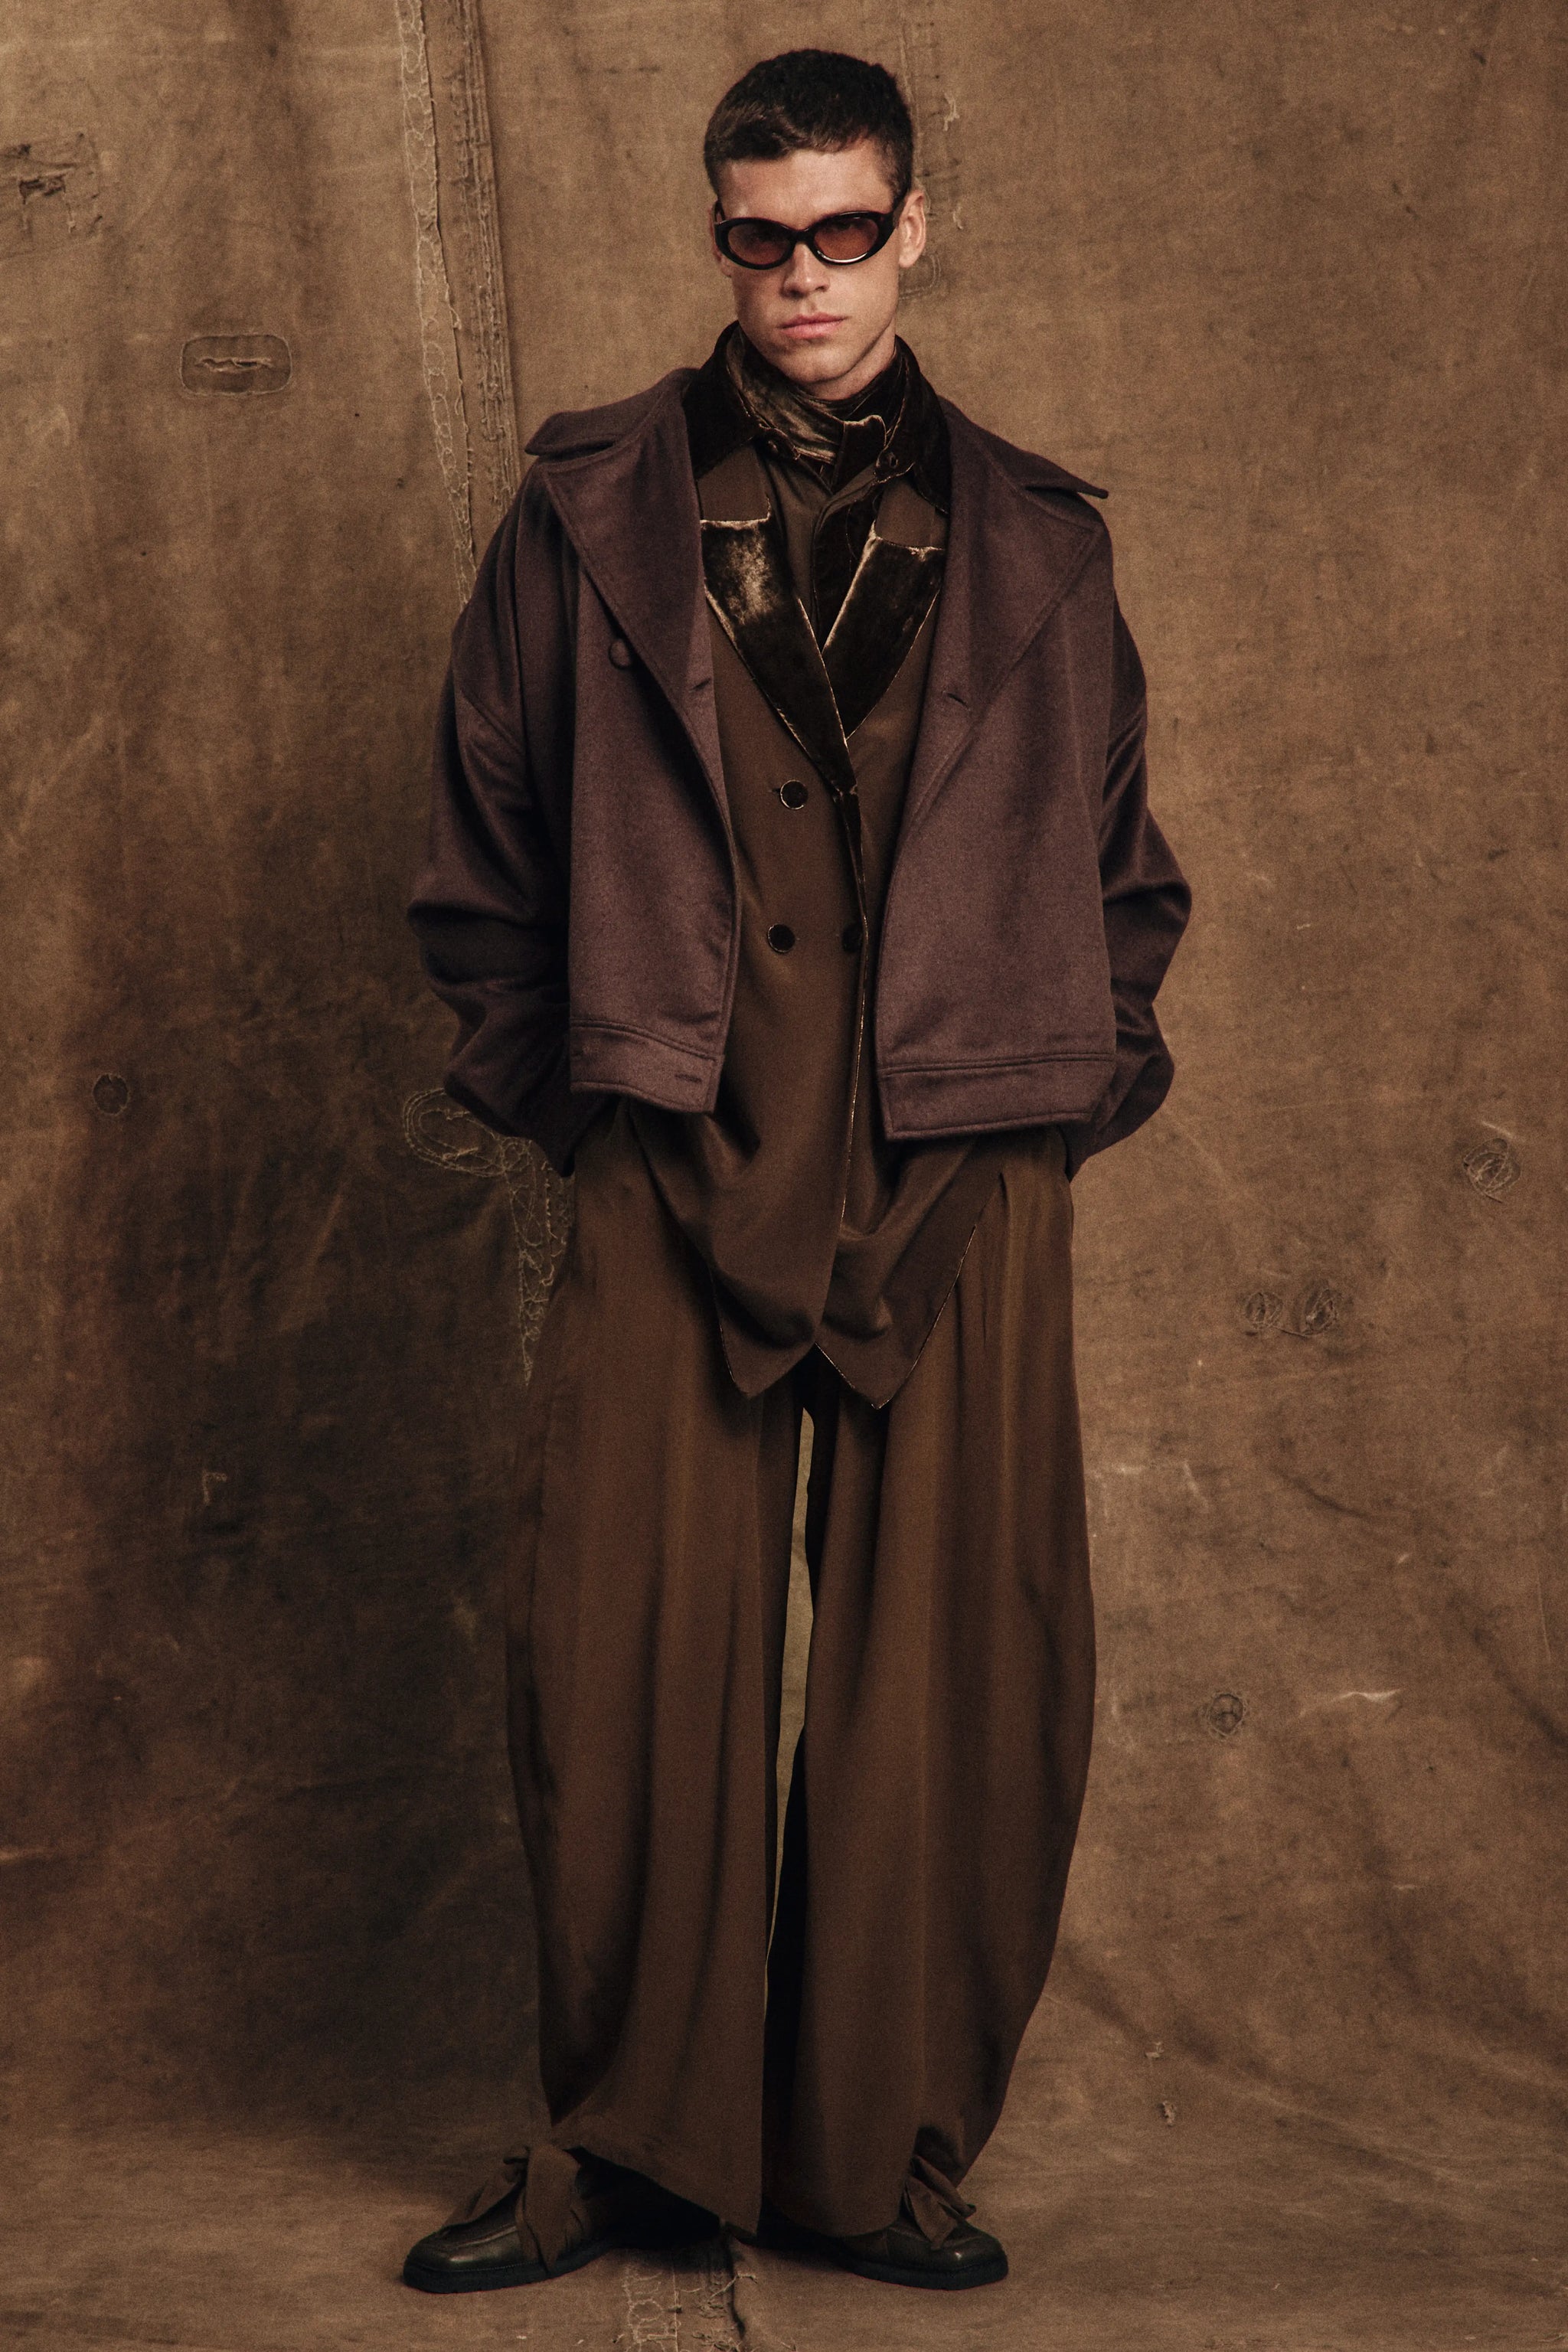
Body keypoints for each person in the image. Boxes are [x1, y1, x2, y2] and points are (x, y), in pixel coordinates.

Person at [402, 47, 1188, 2298]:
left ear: (911, 226)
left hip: (959, 1159)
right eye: (765, 239)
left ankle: (872, 2159)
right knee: (618, 1654)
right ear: (719, 238)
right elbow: (483, 841)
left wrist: (1042, 1098)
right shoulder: (588, 518)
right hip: (673, 1137)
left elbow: (1123, 874)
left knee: (958, 1673)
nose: (807, 278)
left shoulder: (1041, 538)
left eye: (848, 231)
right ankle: (628, 2152)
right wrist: (588, 1103)